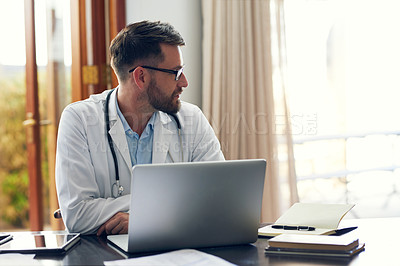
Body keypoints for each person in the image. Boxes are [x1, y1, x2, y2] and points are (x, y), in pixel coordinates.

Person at [55, 21, 225, 235]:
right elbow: (78, 216)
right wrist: (176, 205)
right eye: (176, 72)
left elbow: (218, 201)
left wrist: (141, 219)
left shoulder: (192, 119)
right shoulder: (79, 120)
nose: (184, 82)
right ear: (141, 77)